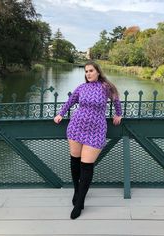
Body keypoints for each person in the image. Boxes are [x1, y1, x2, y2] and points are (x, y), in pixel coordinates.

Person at [54, 61, 122, 219]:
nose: (88, 74)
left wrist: (118, 114)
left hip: (96, 131)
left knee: (87, 166)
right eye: (86, 71)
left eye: (91, 71)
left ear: (98, 71)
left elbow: (116, 99)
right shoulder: (81, 88)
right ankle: (77, 190)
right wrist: (60, 114)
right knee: (75, 161)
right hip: (76, 128)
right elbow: (70, 102)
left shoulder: (106, 87)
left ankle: (80, 203)